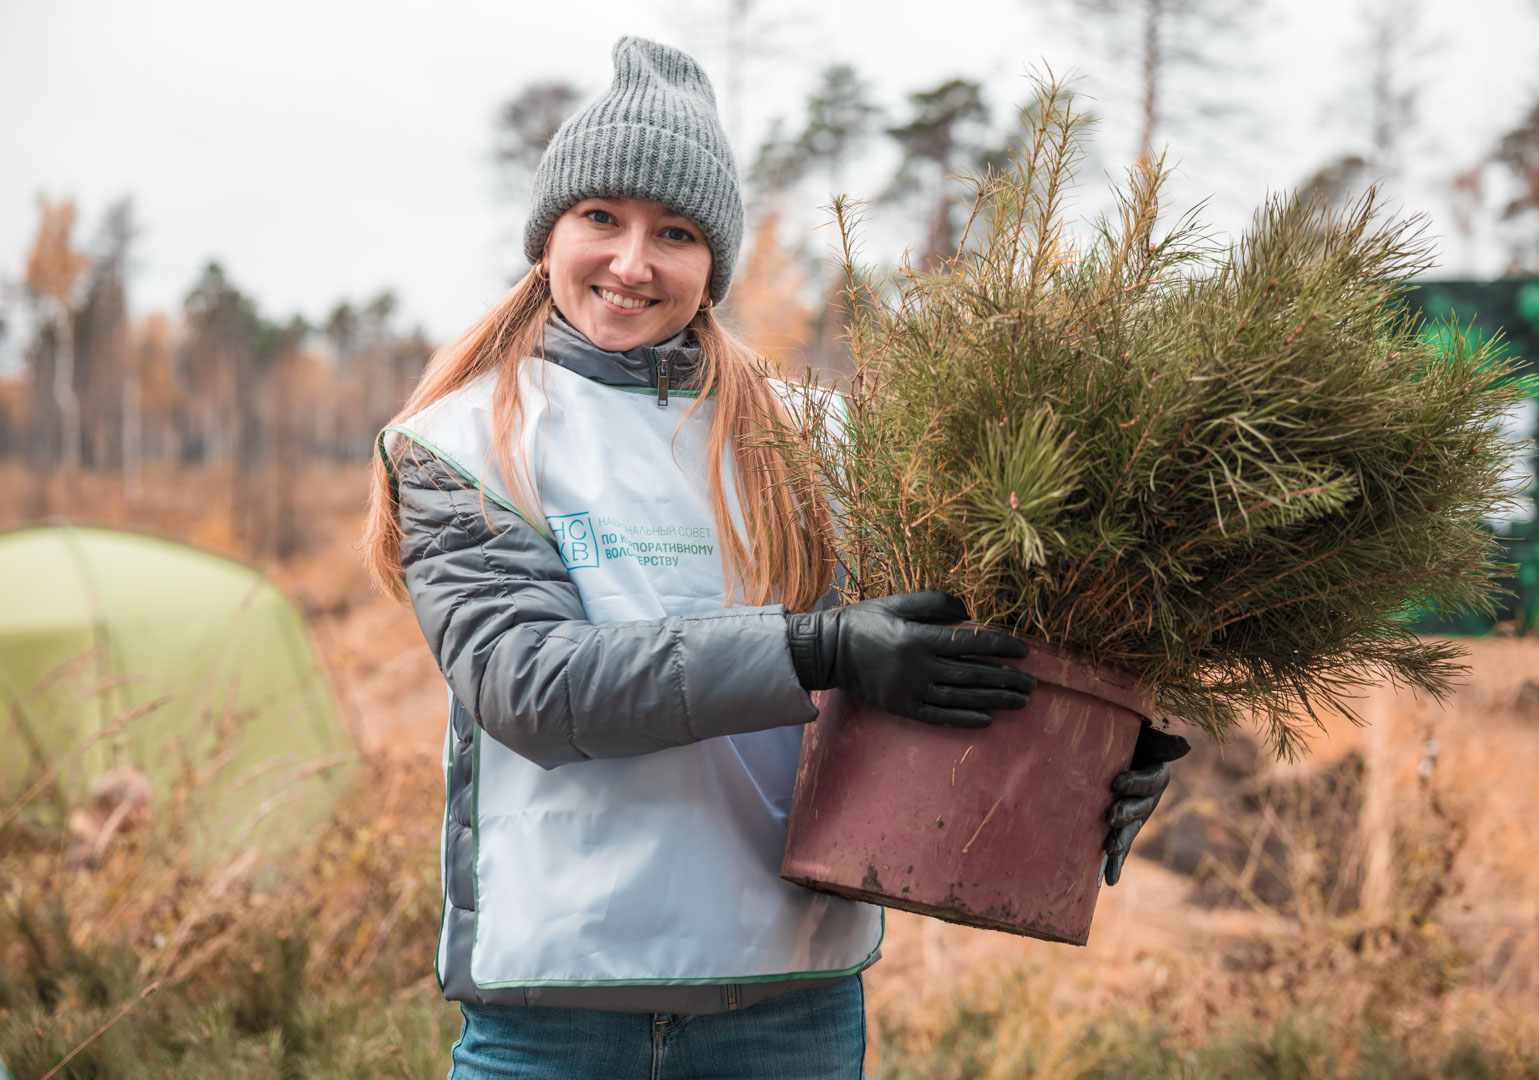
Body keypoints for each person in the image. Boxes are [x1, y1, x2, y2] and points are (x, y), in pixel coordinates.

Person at [360, 36, 1188, 1080]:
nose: (631, 262)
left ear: (713, 262)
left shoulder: (818, 440)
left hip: (789, 1009)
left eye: (674, 232)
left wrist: (1103, 739)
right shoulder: (462, 444)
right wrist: (819, 648)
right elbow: (533, 688)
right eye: (600, 219)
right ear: (547, 234)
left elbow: (961, 626)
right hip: (556, 1013)